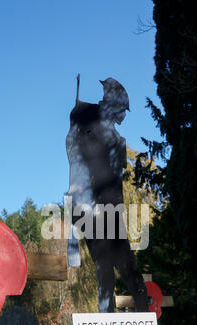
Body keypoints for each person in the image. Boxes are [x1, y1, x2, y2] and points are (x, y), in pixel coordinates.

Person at [66, 76, 149, 312]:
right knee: (115, 271)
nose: (124, 117)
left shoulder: (112, 136)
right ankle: (122, 322)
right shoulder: (90, 127)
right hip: (95, 209)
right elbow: (78, 170)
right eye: (122, 110)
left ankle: (135, 318)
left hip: (108, 210)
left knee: (116, 271)